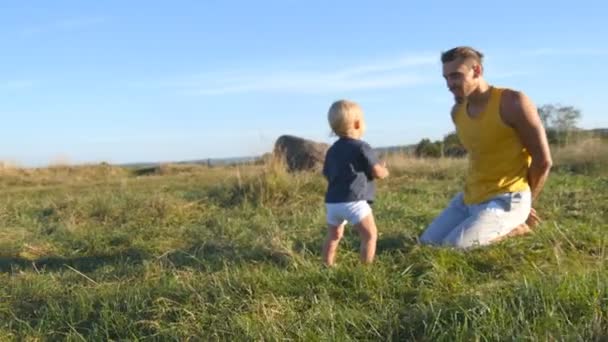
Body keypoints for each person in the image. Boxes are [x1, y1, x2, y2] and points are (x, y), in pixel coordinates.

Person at [419, 46, 553, 248]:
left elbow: (543, 161)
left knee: (453, 248)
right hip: (469, 198)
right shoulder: (457, 112)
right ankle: (488, 226)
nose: (450, 84)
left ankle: (516, 229)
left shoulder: (513, 102)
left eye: (456, 76)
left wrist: (526, 204)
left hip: (508, 197)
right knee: (427, 244)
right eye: (446, 78)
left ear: (477, 71)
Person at [322, 100, 389, 266]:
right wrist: (384, 170)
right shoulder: (362, 147)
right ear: (358, 123)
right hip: (355, 201)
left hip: (333, 203)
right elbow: (376, 172)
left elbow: (326, 173)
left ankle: (327, 265)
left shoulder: (331, 150)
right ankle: (365, 271)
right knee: (370, 235)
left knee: (333, 236)